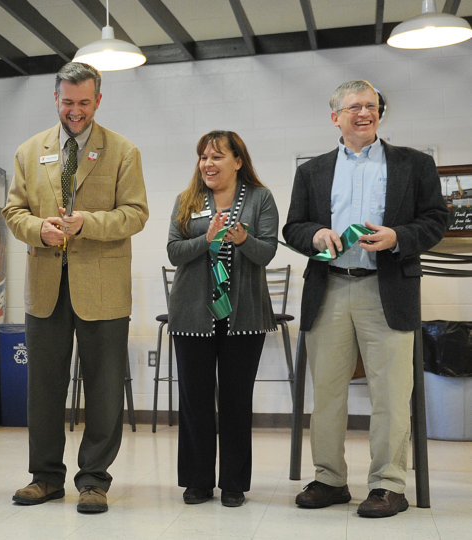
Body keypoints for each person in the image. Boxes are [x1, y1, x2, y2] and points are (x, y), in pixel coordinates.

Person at [283, 80, 447, 518]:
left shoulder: (414, 164)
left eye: (371, 106)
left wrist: (399, 236)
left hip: (387, 288)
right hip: (330, 287)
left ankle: (388, 485)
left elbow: (435, 220)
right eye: (354, 107)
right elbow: (293, 226)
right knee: (329, 393)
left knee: (391, 394)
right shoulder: (312, 170)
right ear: (334, 116)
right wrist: (315, 233)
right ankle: (329, 479)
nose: (364, 113)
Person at [3, 61, 148, 514]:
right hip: (45, 286)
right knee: (43, 387)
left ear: (98, 100)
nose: (76, 111)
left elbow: (136, 214)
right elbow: (13, 213)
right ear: (56, 99)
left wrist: (87, 223)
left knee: (104, 388)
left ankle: (93, 481)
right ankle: (45, 477)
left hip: (103, 289)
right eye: (68, 102)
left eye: (84, 103)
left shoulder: (123, 151)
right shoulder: (30, 151)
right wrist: (37, 230)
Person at [166, 131, 279, 508]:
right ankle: (197, 481)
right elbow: (174, 251)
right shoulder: (187, 200)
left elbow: (266, 254)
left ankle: (233, 483)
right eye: (203, 157)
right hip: (191, 315)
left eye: (216, 157)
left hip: (242, 315)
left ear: (238, 161)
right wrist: (207, 239)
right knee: (195, 401)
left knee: (235, 400)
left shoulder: (260, 199)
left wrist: (243, 238)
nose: (208, 164)